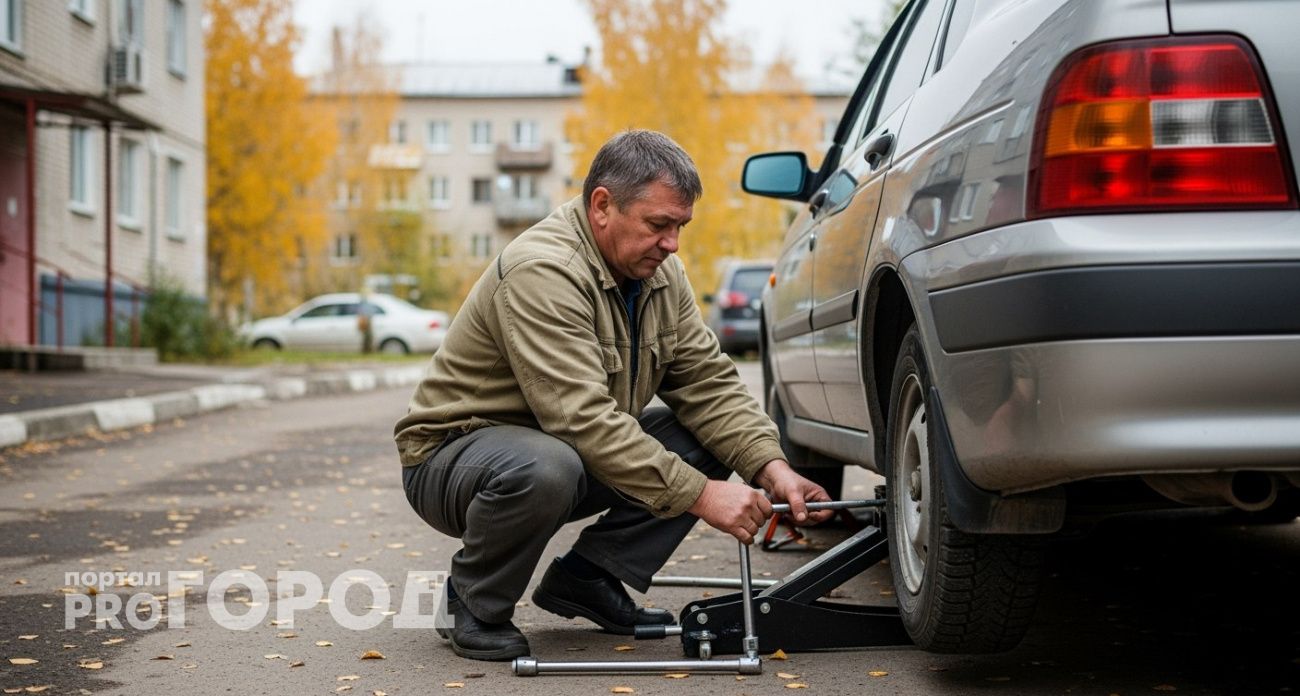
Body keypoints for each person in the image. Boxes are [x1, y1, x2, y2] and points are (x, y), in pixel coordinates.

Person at [393, 129, 833, 662]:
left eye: (680, 227)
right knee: (546, 466)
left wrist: (772, 468)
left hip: (563, 450)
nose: (672, 244)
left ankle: (588, 577)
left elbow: (708, 382)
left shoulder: (661, 274)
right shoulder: (544, 270)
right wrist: (703, 496)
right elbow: (581, 420)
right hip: (455, 460)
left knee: (706, 436)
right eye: (658, 225)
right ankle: (472, 600)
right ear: (602, 206)